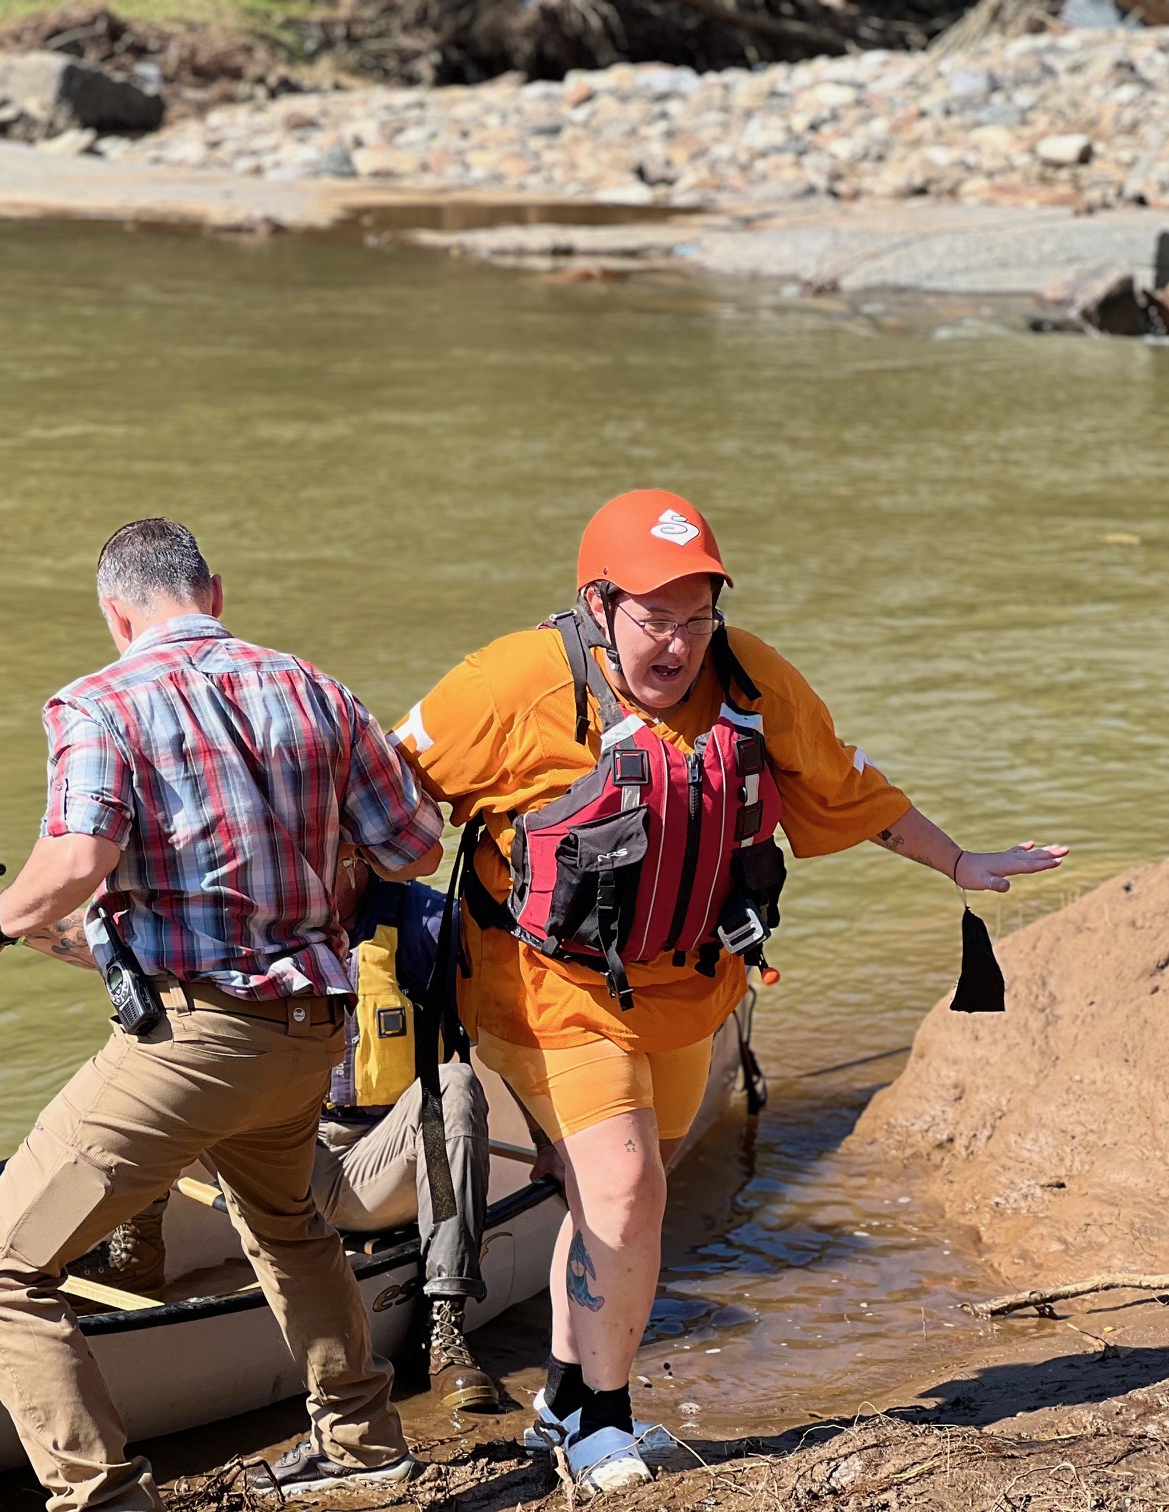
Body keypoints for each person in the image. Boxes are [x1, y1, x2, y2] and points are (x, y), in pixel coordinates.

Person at [389, 490, 1067, 1494]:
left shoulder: (749, 678)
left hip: (690, 988)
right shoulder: (512, 685)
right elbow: (390, 792)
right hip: (546, 985)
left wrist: (958, 862)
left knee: (617, 1201)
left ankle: (561, 1404)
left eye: (697, 616)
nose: (677, 643)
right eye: (654, 617)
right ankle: (605, 1427)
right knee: (625, 1193)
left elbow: (845, 789)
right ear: (598, 601)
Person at [0, 518, 445, 1512]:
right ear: (211, 592)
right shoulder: (316, 687)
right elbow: (416, 848)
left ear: (114, 613)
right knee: (290, 1230)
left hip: (196, 1045)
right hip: (310, 1033)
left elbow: (77, 863)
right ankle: (366, 1450)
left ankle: (103, 1496)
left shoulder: (97, 701)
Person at [33, 863, 503, 1414]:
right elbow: (107, 939)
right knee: (175, 1056)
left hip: (372, 1168)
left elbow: (512, 1031)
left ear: (357, 851)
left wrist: (551, 1146)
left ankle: (444, 1331)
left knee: (453, 1085)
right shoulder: (259, 916)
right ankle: (136, 1253)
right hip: (280, 1154)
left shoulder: (423, 922)